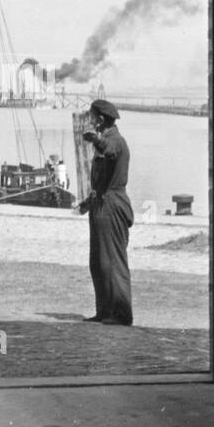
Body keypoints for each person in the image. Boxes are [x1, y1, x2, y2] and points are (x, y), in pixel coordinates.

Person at [77, 99, 133, 325]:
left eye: (92, 117)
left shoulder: (116, 141)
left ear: (100, 119)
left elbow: (109, 152)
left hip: (113, 205)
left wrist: (95, 139)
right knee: (99, 262)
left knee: (113, 262)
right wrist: (87, 202)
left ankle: (121, 314)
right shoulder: (107, 140)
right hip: (100, 203)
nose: (90, 121)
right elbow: (101, 177)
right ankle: (104, 311)